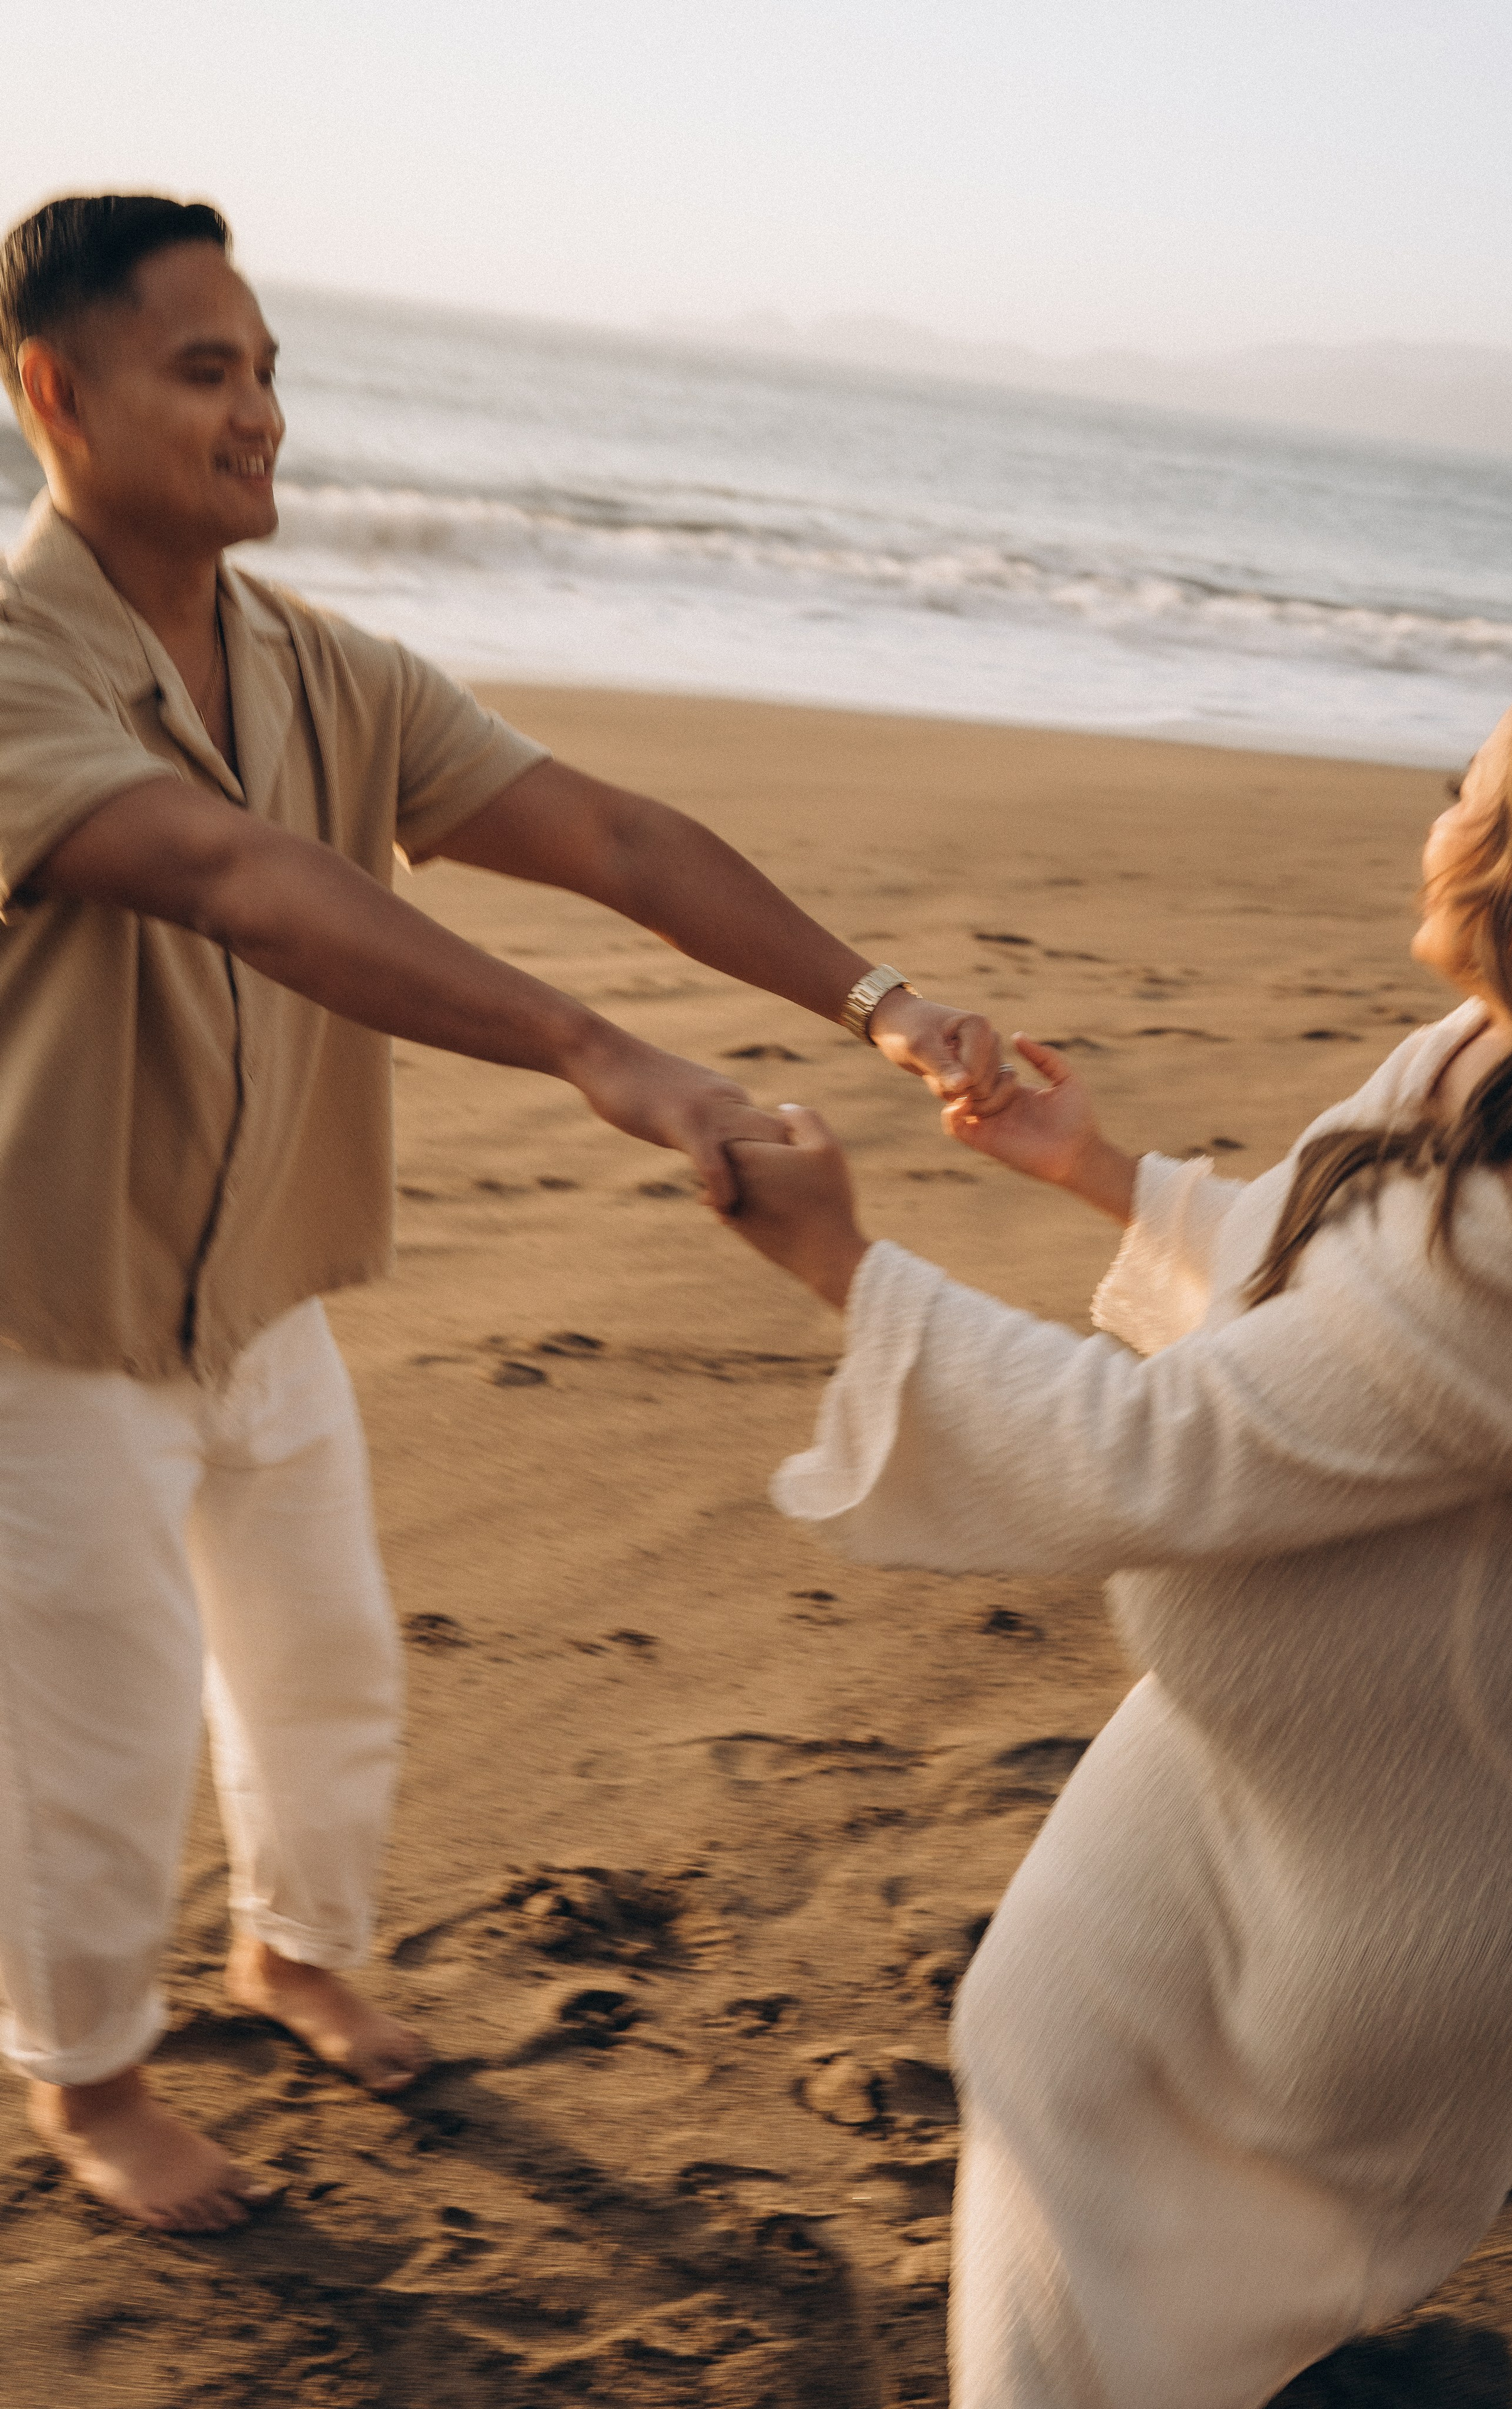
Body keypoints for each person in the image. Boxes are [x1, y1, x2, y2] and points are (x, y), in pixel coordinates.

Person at [0, 192, 1009, 2236]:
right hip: (48, 1313)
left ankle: (293, 1955)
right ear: (55, 394)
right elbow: (239, 881)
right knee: (93, 1726)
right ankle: (86, 2078)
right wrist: (594, 1053)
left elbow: (609, 832)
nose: (262, 412)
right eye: (206, 370)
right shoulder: (15, 664)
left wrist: (881, 1006)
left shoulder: (316, 664)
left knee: (326, 1666)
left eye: (269, 368)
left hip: (262, 1289)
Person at [722, 649, 1512, 2408]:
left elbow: (1145, 1450)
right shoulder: (1492, 1057)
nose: (1440, 813)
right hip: (1231, 1766)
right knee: (1034, 2044)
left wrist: (841, 1262)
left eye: (1476, 789)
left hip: (1412, 1859)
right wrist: (1095, 1166)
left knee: (1200, 2287)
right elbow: (1320, 1275)